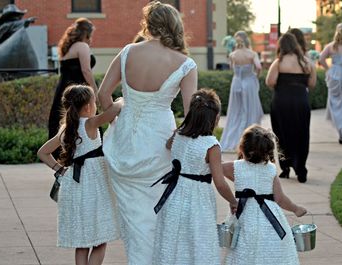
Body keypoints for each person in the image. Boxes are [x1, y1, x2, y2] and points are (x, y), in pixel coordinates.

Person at [97, 2, 197, 264]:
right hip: (159, 144)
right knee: (159, 213)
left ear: (148, 24)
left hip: (124, 143)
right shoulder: (186, 64)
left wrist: (116, 119)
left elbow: (102, 94)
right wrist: (175, 140)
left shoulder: (128, 52)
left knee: (134, 218)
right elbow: (191, 115)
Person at [37, 85, 122, 265]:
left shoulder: (66, 128)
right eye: (94, 102)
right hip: (94, 186)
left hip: (74, 186)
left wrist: (60, 169)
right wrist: (122, 100)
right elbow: (114, 110)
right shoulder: (91, 123)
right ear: (88, 107)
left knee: (82, 244)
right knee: (100, 240)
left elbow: (42, 152)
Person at [152, 89, 238, 265]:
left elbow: (168, 145)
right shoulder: (211, 145)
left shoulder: (178, 135)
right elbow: (220, 182)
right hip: (198, 200)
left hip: (174, 195)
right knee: (198, 242)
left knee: (173, 241)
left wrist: (182, 127)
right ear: (214, 118)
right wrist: (233, 201)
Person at [222, 124, 307, 265]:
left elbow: (215, 166)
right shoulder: (271, 170)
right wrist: (295, 208)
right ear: (268, 152)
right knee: (273, 250)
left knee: (243, 248)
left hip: (245, 216)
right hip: (269, 219)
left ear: (242, 148)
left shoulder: (235, 167)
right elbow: (280, 199)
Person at [266, 33, 316, 183]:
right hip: (300, 101)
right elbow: (312, 84)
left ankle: (286, 167)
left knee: (281, 134)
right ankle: (301, 168)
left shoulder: (278, 62)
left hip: (281, 101)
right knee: (301, 134)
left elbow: (270, 81)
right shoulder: (307, 63)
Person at [48, 18, 98, 155]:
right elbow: (86, 71)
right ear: (86, 33)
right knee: (83, 125)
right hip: (78, 95)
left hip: (65, 91)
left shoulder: (69, 47)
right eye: (91, 34)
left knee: (68, 124)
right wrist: (95, 90)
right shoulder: (82, 46)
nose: (91, 38)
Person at [220, 30, 264, 152]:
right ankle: (251, 141)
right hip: (249, 83)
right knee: (251, 110)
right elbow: (259, 67)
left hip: (236, 84)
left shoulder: (233, 54)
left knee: (235, 112)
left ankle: (233, 140)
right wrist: (255, 75)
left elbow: (231, 67)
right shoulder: (252, 54)